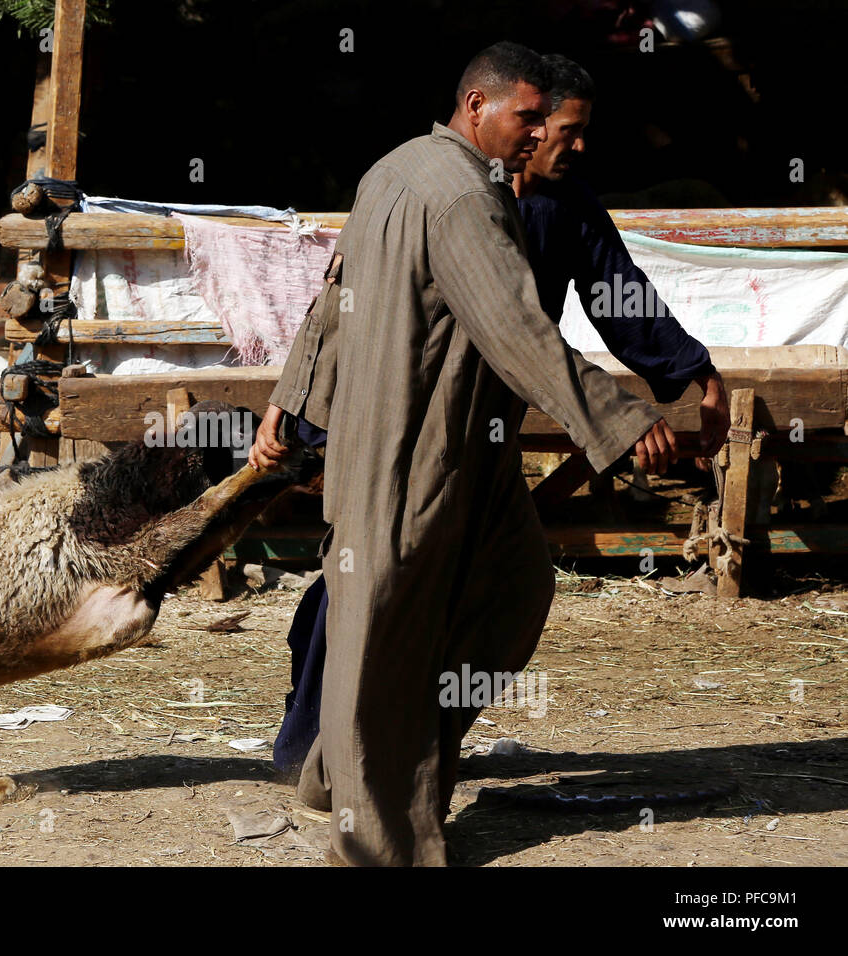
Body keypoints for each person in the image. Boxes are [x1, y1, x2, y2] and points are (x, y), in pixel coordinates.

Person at [247, 40, 675, 866]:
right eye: (527, 116)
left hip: (466, 448)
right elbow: (514, 326)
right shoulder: (459, 198)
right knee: (389, 638)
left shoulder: (395, 169)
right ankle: (379, 839)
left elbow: (332, 303)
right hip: (414, 448)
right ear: (475, 106)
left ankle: (341, 778)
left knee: (509, 590)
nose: (538, 131)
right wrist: (618, 418)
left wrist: (294, 396)